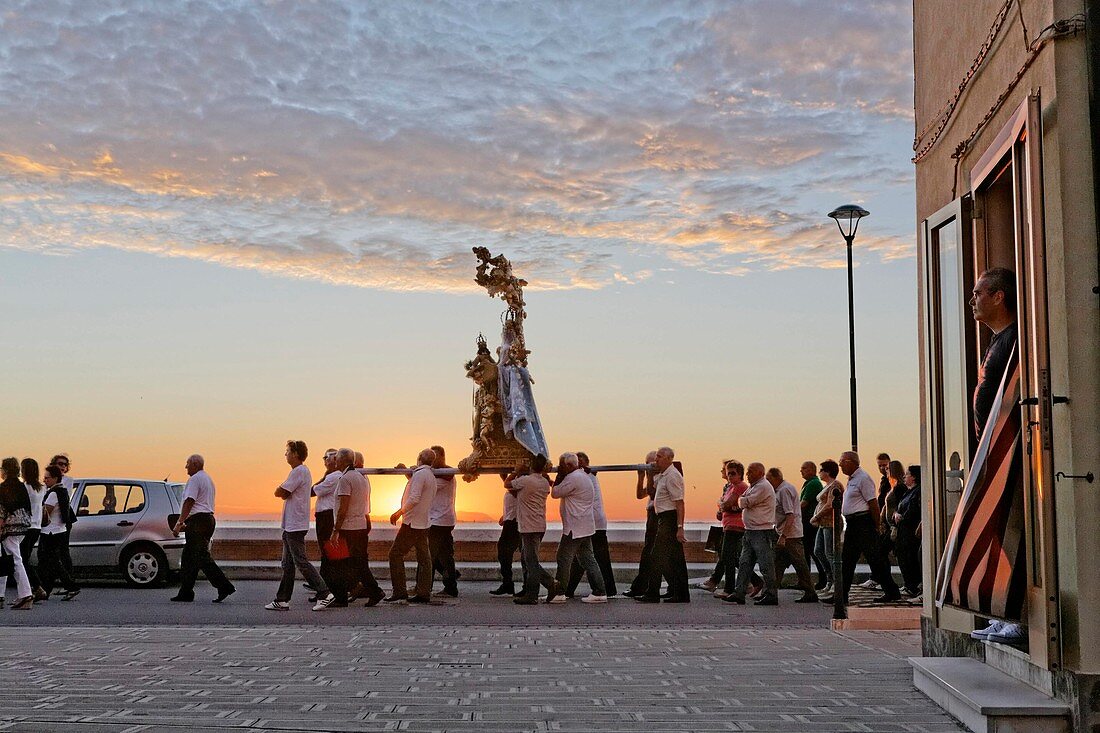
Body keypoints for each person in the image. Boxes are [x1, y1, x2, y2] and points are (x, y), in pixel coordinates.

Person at [969, 267, 1026, 645]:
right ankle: (1002, 613)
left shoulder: (1015, 340)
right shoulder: (996, 341)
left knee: (1014, 532)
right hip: (993, 451)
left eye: (978, 293)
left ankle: (1018, 618)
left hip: (1012, 453)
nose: (973, 300)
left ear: (998, 296)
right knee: (1000, 532)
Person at [266, 440, 331, 611]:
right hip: (291, 525)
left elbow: (282, 492)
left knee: (300, 561)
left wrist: (279, 489)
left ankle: (324, 593)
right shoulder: (300, 471)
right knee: (287, 564)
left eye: (287, 451)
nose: (285, 454)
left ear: (295, 454)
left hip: (295, 525)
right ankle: (282, 600)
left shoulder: (299, 471)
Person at [838, 451, 902, 603]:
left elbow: (872, 503)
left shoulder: (863, 478)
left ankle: (891, 591)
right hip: (852, 524)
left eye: (842, 461)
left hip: (863, 523)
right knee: (847, 560)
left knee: (875, 559)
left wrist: (877, 525)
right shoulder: (852, 479)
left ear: (852, 462)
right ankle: (842, 595)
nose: (840, 465)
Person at [171, 454, 235, 603]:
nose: (186, 467)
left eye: (187, 464)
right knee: (189, 558)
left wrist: (180, 522)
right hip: (207, 520)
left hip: (199, 522)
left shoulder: (194, 479)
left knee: (201, 557)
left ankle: (224, 586)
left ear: (195, 464)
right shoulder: (207, 479)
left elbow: (190, 501)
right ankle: (186, 592)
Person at [327, 448, 384, 609]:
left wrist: (335, 530)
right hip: (360, 526)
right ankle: (374, 591)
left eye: (336, 458)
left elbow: (343, 507)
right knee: (359, 563)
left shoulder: (345, 479)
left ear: (344, 460)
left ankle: (341, 598)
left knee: (338, 562)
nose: (334, 461)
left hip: (348, 528)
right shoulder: (360, 478)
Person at [550, 452, 606, 603]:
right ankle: (599, 591)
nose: (560, 468)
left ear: (568, 465)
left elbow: (555, 493)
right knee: (588, 559)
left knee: (563, 558)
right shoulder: (583, 476)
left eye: (561, 466)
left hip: (574, 527)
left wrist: (558, 476)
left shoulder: (573, 478)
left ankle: (559, 593)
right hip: (585, 525)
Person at [636, 447, 689, 603]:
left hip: (669, 519)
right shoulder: (663, 475)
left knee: (656, 556)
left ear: (668, 459)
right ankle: (680, 593)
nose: (656, 460)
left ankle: (652, 593)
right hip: (662, 518)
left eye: (659, 457)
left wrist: (680, 527)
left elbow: (679, 503)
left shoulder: (672, 476)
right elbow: (651, 491)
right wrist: (648, 473)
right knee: (675, 559)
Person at [505, 455, 559, 604]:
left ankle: (541, 589)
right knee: (528, 559)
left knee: (531, 562)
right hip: (539, 525)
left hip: (528, 526)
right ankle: (535, 590)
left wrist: (516, 471)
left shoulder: (525, 481)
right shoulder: (543, 483)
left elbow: (507, 484)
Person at [386, 448, 438, 604]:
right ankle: (423, 592)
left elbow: (414, 498)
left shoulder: (421, 475)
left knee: (395, 554)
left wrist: (398, 512)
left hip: (412, 523)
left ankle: (400, 591)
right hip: (423, 522)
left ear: (419, 458)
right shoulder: (429, 476)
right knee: (424, 558)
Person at [724, 462, 777, 605]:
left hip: (761, 531)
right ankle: (739, 592)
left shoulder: (763, 487)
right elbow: (743, 500)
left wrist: (741, 501)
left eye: (751, 472)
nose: (748, 474)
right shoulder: (754, 487)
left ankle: (771, 594)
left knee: (765, 564)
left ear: (760, 473)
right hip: (750, 530)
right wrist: (742, 501)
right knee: (744, 563)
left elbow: (745, 502)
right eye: (748, 472)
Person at [566, 452, 616, 598]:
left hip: (593, 523)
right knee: (585, 557)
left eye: (580, 462)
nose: (578, 465)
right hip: (594, 522)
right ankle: (607, 589)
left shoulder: (584, 476)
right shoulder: (588, 476)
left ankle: (570, 589)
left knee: (588, 557)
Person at [768, 467, 818, 603]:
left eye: (768, 479)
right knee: (777, 563)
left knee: (799, 563)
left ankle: (810, 592)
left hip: (790, 535)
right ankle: (770, 592)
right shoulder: (780, 490)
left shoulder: (784, 490)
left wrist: (783, 536)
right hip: (784, 533)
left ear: (776, 477)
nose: (767, 482)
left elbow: (790, 515)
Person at [716, 460, 760, 599]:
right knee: (732, 558)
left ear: (740, 474)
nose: (730, 476)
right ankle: (756, 581)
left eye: (733, 473)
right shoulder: (731, 487)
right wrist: (723, 505)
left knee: (727, 557)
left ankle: (729, 588)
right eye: (728, 473)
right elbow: (723, 504)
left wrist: (724, 505)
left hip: (736, 526)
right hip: (728, 525)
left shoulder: (740, 486)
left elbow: (726, 504)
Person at [38, 464, 79, 599]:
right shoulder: (62, 491)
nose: (45, 480)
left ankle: (71, 586)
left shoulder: (53, 494)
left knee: (53, 562)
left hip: (50, 532)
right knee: (49, 562)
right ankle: (46, 589)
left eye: (47, 478)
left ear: (55, 478)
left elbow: (45, 514)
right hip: (59, 530)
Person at [0, 457, 34, 609]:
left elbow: (2, 511)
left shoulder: (3, 487)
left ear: (5, 471)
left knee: (14, 560)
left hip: (10, 527)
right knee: (10, 558)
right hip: (23, 527)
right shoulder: (21, 487)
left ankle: (25, 594)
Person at [625, 450, 658, 598]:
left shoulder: (661, 478)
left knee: (648, 553)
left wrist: (649, 475)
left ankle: (641, 587)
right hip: (651, 514)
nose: (648, 466)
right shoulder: (654, 478)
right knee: (652, 552)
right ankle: (643, 586)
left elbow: (651, 492)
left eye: (650, 464)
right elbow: (640, 495)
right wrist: (640, 477)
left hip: (656, 516)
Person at [428, 445, 459, 598]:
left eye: (434, 457)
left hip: (439, 520)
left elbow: (426, 486)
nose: (432, 461)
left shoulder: (446, 475)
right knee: (444, 555)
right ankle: (451, 579)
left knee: (430, 556)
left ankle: (426, 586)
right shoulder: (441, 474)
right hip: (443, 519)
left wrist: (415, 471)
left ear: (441, 457)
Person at [699, 460, 734, 592]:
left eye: (723, 469)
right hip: (726, 523)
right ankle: (749, 583)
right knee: (726, 555)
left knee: (728, 555)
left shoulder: (736, 487)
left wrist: (723, 508)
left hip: (733, 526)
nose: (721, 471)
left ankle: (715, 582)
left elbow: (729, 504)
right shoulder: (727, 486)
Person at [311, 449, 340, 599]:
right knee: (329, 553)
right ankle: (325, 587)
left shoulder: (333, 477)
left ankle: (326, 589)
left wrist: (324, 476)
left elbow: (313, 491)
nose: (325, 461)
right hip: (327, 516)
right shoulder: (335, 476)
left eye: (327, 458)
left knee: (328, 553)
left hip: (326, 518)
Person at [489, 468, 523, 597]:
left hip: (514, 523)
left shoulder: (520, 482)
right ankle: (508, 583)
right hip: (511, 520)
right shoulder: (514, 482)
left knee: (505, 552)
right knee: (505, 554)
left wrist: (504, 478)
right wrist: (505, 515)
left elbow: (516, 494)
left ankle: (509, 583)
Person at [812, 460, 842, 601]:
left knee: (830, 553)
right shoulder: (827, 486)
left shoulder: (835, 485)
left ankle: (836, 583)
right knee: (818, 551)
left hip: (831, 523)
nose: (819, 473)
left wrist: (816, 516)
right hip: (823, 524)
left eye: (821, 470)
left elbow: (830, 504)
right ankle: (829, 580)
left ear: (828, 471)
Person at [893, 465, 922, 598]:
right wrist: (896, 514)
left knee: (910, 559)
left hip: (910, 531)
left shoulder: (918, 492)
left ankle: (913, 586)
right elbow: (899, 507)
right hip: (903, 531)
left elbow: (914, 512)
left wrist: (901, 517)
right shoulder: (908, 491)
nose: (905, 477)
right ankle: (908, 584)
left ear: (914, 477)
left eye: (908, 474)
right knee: (903, 557)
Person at [798, 461, 827, 589]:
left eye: (804, 468)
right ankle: (805, 581)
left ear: (811, 470)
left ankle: (820, 580)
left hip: (810, 523)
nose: (801, 471)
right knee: (807, 552)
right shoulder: (809, 483)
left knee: (813, 551)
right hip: (807, 522)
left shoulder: (813, 483)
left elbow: (803, 503)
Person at [20, 458, 46, 601]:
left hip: (25, 526)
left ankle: (37, 587)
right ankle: (32, 588)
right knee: (25, 557)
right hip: (36, 526)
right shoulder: (41, 488)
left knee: (22, 560)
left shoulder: (24, 487)